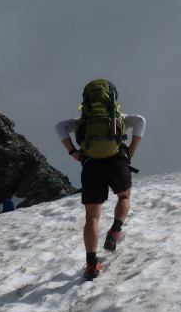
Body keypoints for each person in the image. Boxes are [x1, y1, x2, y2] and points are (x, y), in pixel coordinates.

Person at [55, 79, 146, 281]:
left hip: (91, 165)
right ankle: (115, 229)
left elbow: (59, 126)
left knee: (91, 217)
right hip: (117, 162)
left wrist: (72, 151)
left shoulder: (83, 120)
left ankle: (91, 263)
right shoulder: (118, 117)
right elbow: (140, 120)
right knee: (124, 197)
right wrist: (131, 149)